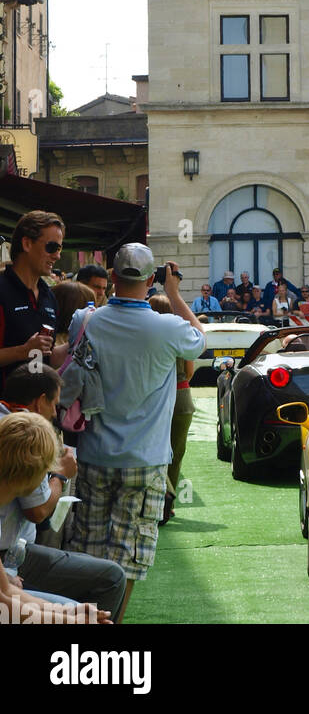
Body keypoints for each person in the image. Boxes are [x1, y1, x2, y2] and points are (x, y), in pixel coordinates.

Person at [68, 243, 205, 622]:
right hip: (145, 460)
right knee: (128, 554)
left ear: (112, 277)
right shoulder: (166, 327)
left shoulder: (86, 320)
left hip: (93, 454)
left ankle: (83, 622)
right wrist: (174, 294)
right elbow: (200, 338)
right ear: (150, 280)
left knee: (88, 548)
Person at [0, 364, 126, 618]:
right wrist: (59, 475)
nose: (56, 413)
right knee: (109, 580)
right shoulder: (24, 437)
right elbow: (38, 510)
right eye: (54, 404)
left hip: (13, 560)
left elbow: (6, 594)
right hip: (13, 555)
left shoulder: (13, 432)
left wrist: (75, 614)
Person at [0, 210, 67, 388]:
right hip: (6, 412)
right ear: (27, 243)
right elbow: (29, 352)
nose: (57, 256)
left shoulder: (49, 296)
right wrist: (22, 351)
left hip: (39, 411)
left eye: (60, 249)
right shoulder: (3, 290)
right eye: (52, 247)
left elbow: (45, 357)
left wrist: (78, 342)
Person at [146, 295, 196, 526]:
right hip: (182, 397)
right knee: (176, 453)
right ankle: (170, 505)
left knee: (153, 449)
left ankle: (156, 499)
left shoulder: (147, 336)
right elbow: (189, 370)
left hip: (154, 398)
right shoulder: (178, 335)